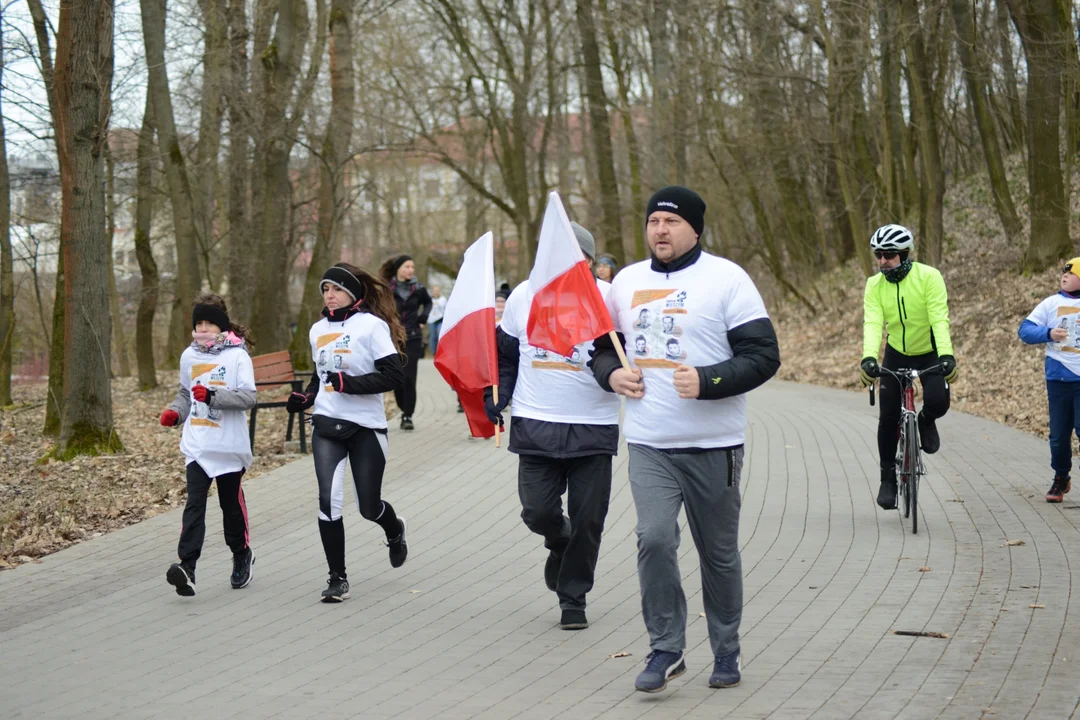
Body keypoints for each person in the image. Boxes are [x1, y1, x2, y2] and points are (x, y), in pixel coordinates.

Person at [590, 186, 780, 693]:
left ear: (695, 228)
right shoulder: (624, 282)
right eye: (653, 221)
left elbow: (763, 356)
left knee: (717, 554)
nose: (660, 230)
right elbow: (600, 346)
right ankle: (666, 649)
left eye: (671, 222)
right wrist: (611, 374)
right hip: (650, 441)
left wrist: (710, 380)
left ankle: (726, 650)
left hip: (714, 443)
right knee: (653, 539)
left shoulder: (727, 279)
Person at [485, 222, 620, 631]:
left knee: (589, 519)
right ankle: (559, 543)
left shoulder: (608, 298)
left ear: (586, 260)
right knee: (538, 511)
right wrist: (498, 397)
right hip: (535, 422)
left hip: (592, 425)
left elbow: (623, 355)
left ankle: (573, 597)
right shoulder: (525, 295)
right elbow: (505, 355)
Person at [287, 263, 410, 602]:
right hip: (327, 425)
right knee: (329, 502)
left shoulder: (371, 327)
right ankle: (337, 578)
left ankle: (395, 529)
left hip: (366, 427)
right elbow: (320, 377)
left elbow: (393, 377)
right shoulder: (316, 331)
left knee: (368, 507)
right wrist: (307, 397)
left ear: (352, 294)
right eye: (325, 289)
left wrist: (350, 384)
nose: (329, 295)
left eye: (336, 289)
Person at [160, 293, 257, 597]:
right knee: (194, 504)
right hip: (199, 444)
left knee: (230, 507)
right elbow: (186, 394)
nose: (202, 329)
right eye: (198, 323)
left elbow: (248, 398)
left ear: (222, 327)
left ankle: (242, 554)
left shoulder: (237, 356)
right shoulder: (189, 356)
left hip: (228, 446)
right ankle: (187, 567)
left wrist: (214, 397)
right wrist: (176, 413)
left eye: (209, 324)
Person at [859, 224, 958, 511]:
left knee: (939, 403)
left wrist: (947, 355)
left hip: (929, 352)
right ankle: (887, 478)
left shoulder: (929, 277)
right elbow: (873, 323)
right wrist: (869, 358)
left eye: (888, 255)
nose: (882, 261)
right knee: (888, 416)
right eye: (878, 254)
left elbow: (940, 318)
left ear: (903, 254)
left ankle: (925, 421)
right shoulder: (874, 285)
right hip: (896, 353)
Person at [1019, 258, 1080, 502]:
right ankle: (1061, 477)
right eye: (1063, 272)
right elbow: (1025, 330)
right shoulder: (1051, 303)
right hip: (1059, 379)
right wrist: (1047, 333)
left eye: (1071, 272)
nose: (1064, 276)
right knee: (1058, 435)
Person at [380, 255, 432, 431]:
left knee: (410, 377)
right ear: (398, 269)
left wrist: (423, 317)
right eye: (407, 266)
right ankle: (403, 407)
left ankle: (407, 414)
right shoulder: (387, 289)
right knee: (397, 377)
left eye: (412, 267)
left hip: (413, 337)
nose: (411, 270)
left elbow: (428, 303)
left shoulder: (418, 288)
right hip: (392, 339)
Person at [428, 285, 447, 358]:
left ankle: (441, 352)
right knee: (433, 336)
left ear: (439, 292)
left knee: (440, 334)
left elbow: (445, 309)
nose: (436, 292)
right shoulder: (430, 299)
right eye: (435, 291)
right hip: (431, 320)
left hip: (440, 319)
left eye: (437, 291)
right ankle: (433, 352)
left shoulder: (443, 299)